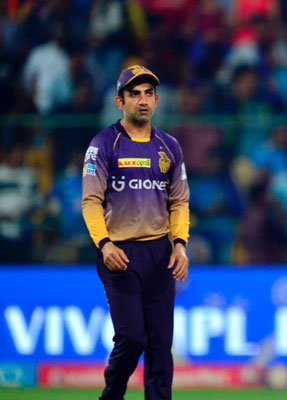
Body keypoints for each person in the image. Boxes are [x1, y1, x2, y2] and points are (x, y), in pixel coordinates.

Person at [81, 65, 190, 400]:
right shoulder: (103, 145)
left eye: (148, 94)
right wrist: (104, 243)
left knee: (160, 345)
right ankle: (112, 392)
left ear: (156, 100)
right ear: (120, 101)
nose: (142, 100)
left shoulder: (169, 146)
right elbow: (90, 201)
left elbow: (179, 202)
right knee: (132, 338)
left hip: (159, 254)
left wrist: (180, 245)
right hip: (119, 254)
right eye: (134, 94)